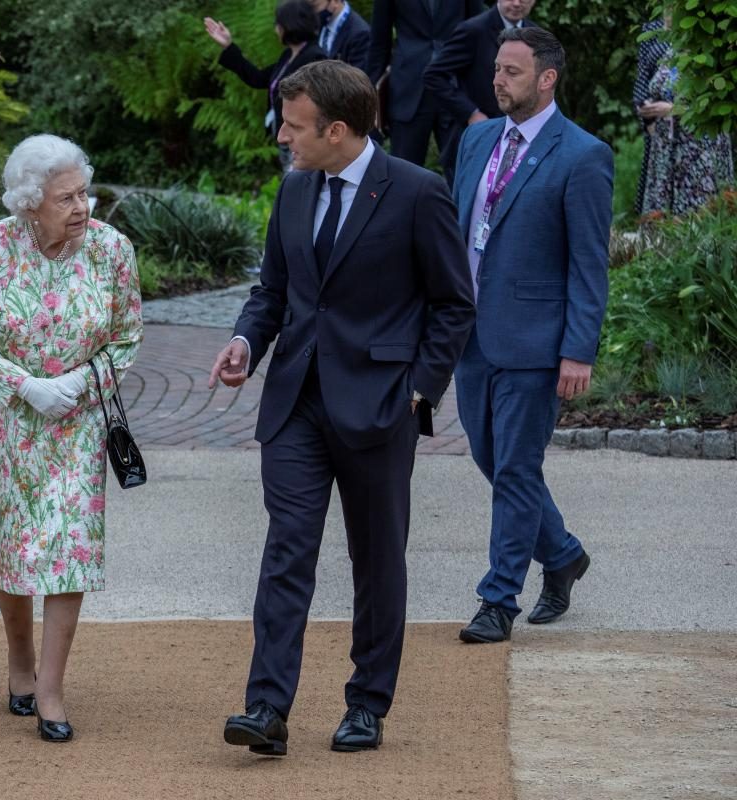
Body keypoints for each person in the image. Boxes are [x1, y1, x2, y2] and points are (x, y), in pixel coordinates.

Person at [210, 60, 475, 756]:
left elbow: (453, 304)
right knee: (286, 551)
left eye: (294, 127)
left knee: (377, 560)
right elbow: (273, 290)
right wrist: (245, 340)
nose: (282, 138)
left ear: (337, 128)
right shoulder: (295, 190)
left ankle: (367, 704)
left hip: (380, 405)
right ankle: (265, 708)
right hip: (294, 401)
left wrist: (418, 390)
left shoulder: (418, 192)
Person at [0, 134, 143, 743]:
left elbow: (127, 338)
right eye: (67, 198)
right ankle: (19, 663)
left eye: (85, 192)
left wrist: (83, 381)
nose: (83, 207)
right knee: (13, 544)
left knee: (67, 549)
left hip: (79, 421)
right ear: (31, 204)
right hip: (9, 419)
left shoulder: (112, 251)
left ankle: (52, 691)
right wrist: (26, 386)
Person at [451, 27, 611, 644]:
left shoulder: (583, 154)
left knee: (516, 467)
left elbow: (588, 263)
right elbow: (458, 229)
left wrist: (578, 348)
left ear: (547, 79)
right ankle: (564, 553)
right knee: (492, 460)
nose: (498, 80)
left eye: (512, 71)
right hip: (470, 337)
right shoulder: (476, 139)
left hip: (535, 342)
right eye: (496, 69)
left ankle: (498, 599)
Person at [204, 1, 328, 171]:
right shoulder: (289, 55)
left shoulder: (315, 57)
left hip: (302, 139)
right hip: (286, 135)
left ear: (290, 25)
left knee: (297, 184)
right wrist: (228, 46)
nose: (276, 29)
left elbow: (319, 103)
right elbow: (259, 78)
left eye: (278, 24)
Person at [424, 0, 537, 186]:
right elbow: (434, 75)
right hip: (478, 138)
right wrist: (471, 112)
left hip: (519, 137)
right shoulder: (473, 30)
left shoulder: (536, 35)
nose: (517, 3)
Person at [633, 14, 734, 217]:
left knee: (699, 213)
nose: (667, 14)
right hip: (666, 146)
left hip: (699, 147)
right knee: (664, 219)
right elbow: (649, 86)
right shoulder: (668, 51)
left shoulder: (711, 50)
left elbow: (718, 103)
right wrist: (648, 114)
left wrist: (673, 110)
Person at [367, 0, 481, 166]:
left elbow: (477, 30)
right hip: (407, 87)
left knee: (462, 168)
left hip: (455, 86)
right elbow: (379, 41)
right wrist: (368, 90)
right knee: (403, 170)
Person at [315, 0, 372, 75]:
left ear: (335, 1)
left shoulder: (360, 34)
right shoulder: (320, 24)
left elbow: (356, 80)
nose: (312, 11)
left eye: (315, 5)